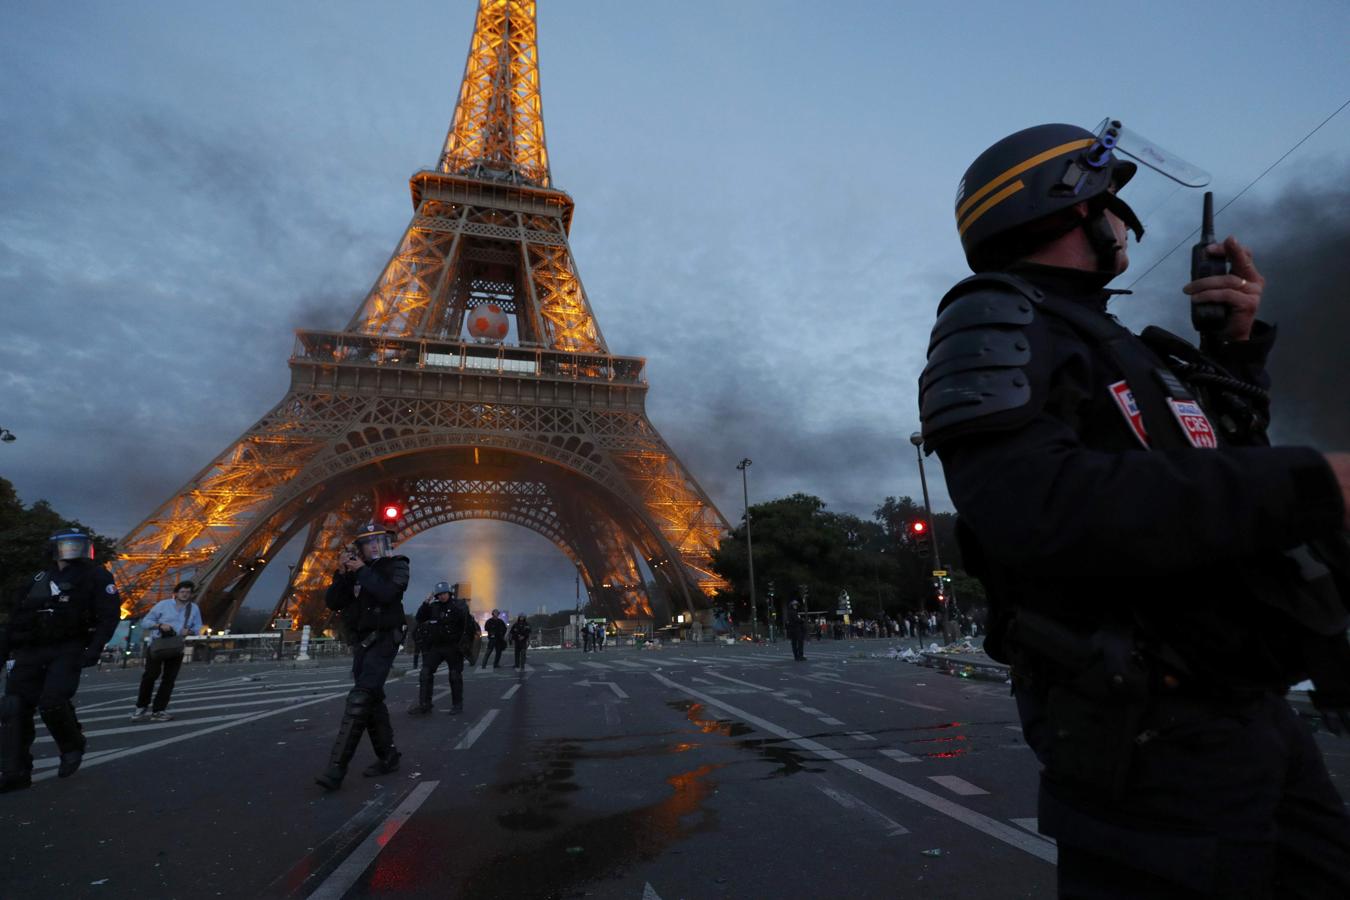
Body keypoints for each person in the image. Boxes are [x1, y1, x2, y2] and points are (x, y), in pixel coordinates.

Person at [918, 121, 1350, 896]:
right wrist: (1314, 481)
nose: (1123, 223)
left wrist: (1234, 354)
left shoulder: (1120, 344)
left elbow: (1213, 485)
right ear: (1074, 208)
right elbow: (1033, 507)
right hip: (1151, 736)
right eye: (1115, 204)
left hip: (1241, 713)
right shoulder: (993, 318)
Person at [0, 530, 119, 792]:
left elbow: (109, 616)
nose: (71, 551)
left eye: (77, 545)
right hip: (31, 649)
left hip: (68, 647)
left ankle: (71, 745)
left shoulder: (97, 577)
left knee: (53, 700)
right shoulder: (37, 579)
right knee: (13, 708)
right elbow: (16, 620)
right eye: (67, 546)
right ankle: (14, 771)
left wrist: (94, 649)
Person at [314, 523, 408, 791]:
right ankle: (388, 757)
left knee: (361, 696)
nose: (374, 547)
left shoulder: (397, 565)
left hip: (385, 638)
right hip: (362, 643)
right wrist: (343, 574)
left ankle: (336, 769)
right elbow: (333, 602)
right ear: (361, 547)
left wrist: (361, 570)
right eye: (368, 543)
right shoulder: (354, 573)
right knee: (372, 700)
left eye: (378, 541)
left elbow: (388, 593)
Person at [131, 580, 202, 722]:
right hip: (158, 645)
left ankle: (159, 710)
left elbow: (198, 627)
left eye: (188, 592)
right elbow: (145, 622)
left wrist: (190, 630)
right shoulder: (162, 605)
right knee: (150, 676)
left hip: (176, 647)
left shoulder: (193, 609)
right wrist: (159, 625)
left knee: (169, 680)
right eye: (182, 592)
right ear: (175, 593)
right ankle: (141, 706)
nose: (185, 595)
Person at [408, 583, 472, 715]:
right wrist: (427, 601)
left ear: (449, 593)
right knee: (425, 672)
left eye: (444, 593)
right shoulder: (433, 607)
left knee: (454, 676)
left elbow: (467, 623)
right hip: (436, 646)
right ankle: (425, 705)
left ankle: (457, 705)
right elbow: (420, 618)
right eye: (439, 594)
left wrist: (465, 646)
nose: (442, 596)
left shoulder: (458, 606)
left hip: (453, 647)